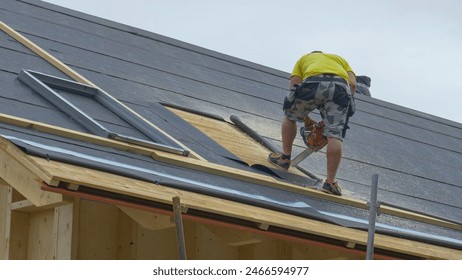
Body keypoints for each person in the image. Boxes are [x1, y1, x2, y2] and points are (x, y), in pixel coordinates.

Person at [268, 51, 356, 196]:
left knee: (289, 116)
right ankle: (330, 183)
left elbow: (294, 87)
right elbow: (352, 84)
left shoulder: (304, 58)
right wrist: (342, 113)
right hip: (340, 88)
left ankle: (284, 158)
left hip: (313, 82)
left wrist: (302, 116)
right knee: (335, 135)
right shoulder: (340, 59)